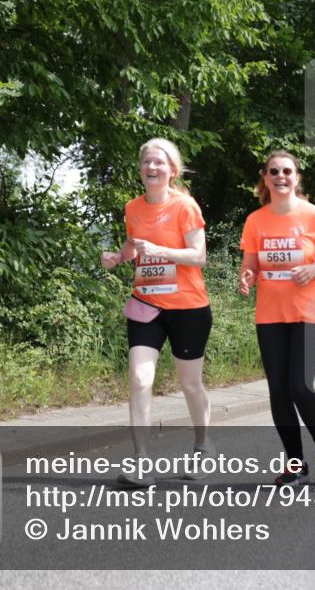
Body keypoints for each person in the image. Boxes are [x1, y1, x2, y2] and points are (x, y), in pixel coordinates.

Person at [101, 138, 214, 486]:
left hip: (188, 308)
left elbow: (199, 256)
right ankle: (141, 462)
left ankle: (203, 446)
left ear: (172, 171)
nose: (152, 167)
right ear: (140, 169)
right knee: (139, 379)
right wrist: (119, 257)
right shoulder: (133, 207)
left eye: (159, 163)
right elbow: (134, 244)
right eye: (147, 162)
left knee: (190, 384)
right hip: (147, 304)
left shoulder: (185, 206)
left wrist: (160, 251)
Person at [238, 151, 315, 486]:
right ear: (266, 178)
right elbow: (250, 264)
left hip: (312, 312)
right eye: (274, 171)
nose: (280, 176)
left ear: (296, 178)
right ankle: (295, 462)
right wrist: (247, 277)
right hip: (271, 313)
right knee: (278, 390)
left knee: (299, 385)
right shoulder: (256, 220)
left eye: (287, 171)